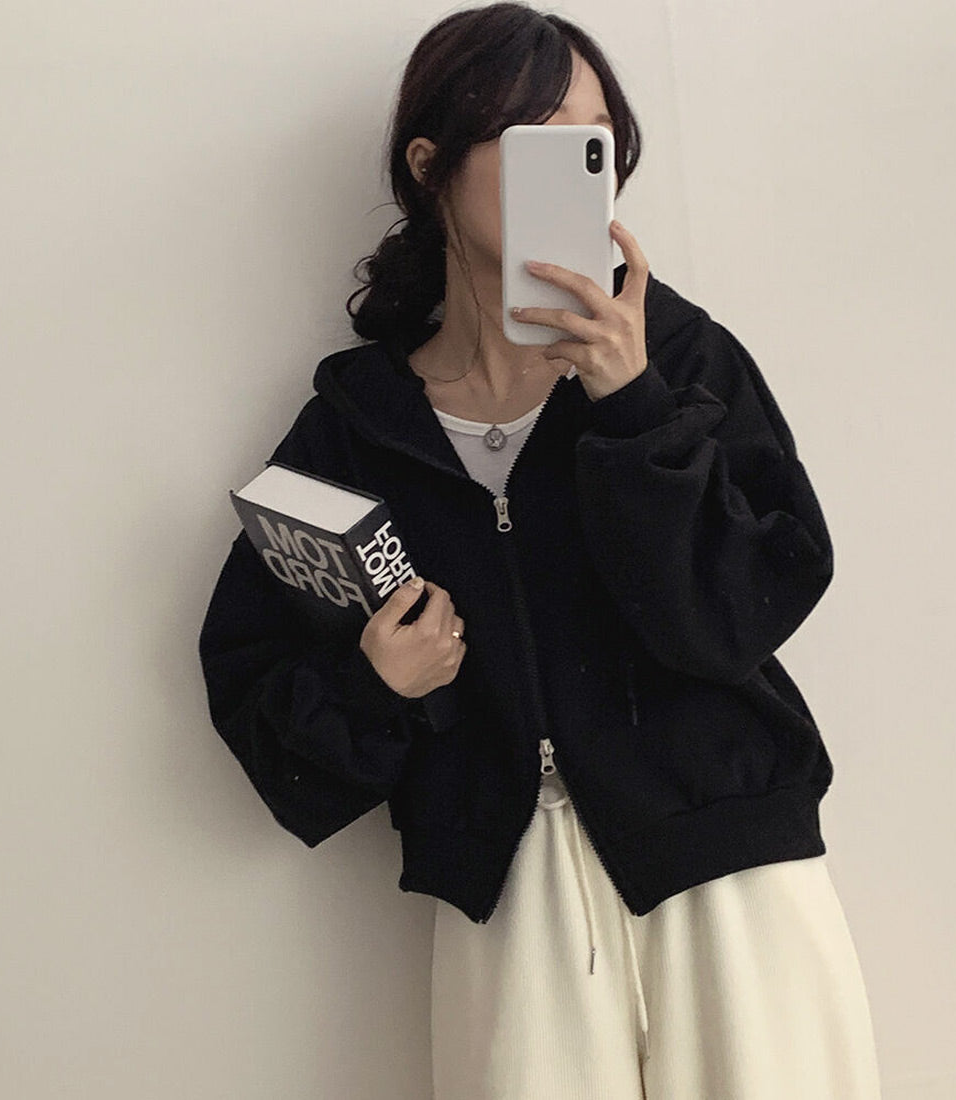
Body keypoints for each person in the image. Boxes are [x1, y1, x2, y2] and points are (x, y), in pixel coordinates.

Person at [197, 4, 883, 1097]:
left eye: (594, 140)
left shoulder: (677, 357)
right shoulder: (358, 425)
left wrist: (631, 404)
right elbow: (256, 691)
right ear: (430, 165)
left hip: (728, 873)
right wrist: (379, 684)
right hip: (508, 895)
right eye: (535, 137)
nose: (576, 166)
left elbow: (744, 609)